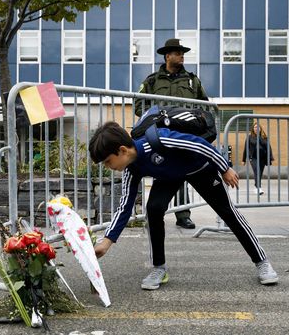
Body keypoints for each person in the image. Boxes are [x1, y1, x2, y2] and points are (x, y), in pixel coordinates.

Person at [89, 121, 278, 290]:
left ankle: (262, 261)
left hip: (200, 169)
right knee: (153, 209)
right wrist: (107, 242)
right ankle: (159, 268)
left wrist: (224, 167)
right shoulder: (131, 169)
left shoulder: (158, 140)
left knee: (228, 213)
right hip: (169, 177)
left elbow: (199, 144)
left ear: (122, 150)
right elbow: (124, 207)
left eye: (108, 162)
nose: (108, 167)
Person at [134, 38, 209, 229]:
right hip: (160, 135)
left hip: (185, 135)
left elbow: (205, 105)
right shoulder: (152, 81)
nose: (182, 56)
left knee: (182, 171)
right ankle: (155, 213)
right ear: (168, 56)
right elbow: (138, 105)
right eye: (177, 53)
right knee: (161, 171)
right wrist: (154, 118)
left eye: (183, 53)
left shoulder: (192, 80)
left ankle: (183, 214)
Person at [241, 122, 274, 195]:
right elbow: (246, 148)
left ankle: (256, 187)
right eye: (255, 127)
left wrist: (270, 158)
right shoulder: (250, 137)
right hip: (253, 158)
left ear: (260, 129)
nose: (256, 128)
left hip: (263, 158)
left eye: (258, 127)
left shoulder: (264, 137)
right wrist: (243, 159)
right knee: (257, 171)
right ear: (253, 129)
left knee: (260, 173)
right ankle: (259, 188)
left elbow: (269, 148)